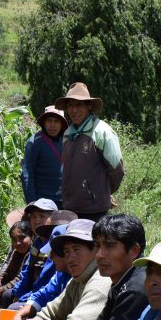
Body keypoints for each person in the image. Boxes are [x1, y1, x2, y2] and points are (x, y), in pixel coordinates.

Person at [25, 214, 149, 320]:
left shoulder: (135, 288)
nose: (100, 255)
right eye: (98, 246)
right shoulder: (120, 279)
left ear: (134, 251)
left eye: (109, 246)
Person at [56, 82, 124, 221]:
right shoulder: (68, 134)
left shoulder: (102, 131)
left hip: (94, 211)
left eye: (79, 105)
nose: (74, 110)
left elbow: (117, 170)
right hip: (70, 208)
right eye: (70, 105)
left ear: (89, 106)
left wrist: (102, 192)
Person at [21, 105, 66, 207]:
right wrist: (32, 204)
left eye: (56, 121)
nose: (52, 125)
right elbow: (27, 175)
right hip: (43, 202)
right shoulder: (35, 142)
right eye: (49, 120)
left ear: (62, 124)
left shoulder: (66, 141)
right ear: (44, 122)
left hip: (65, 200)